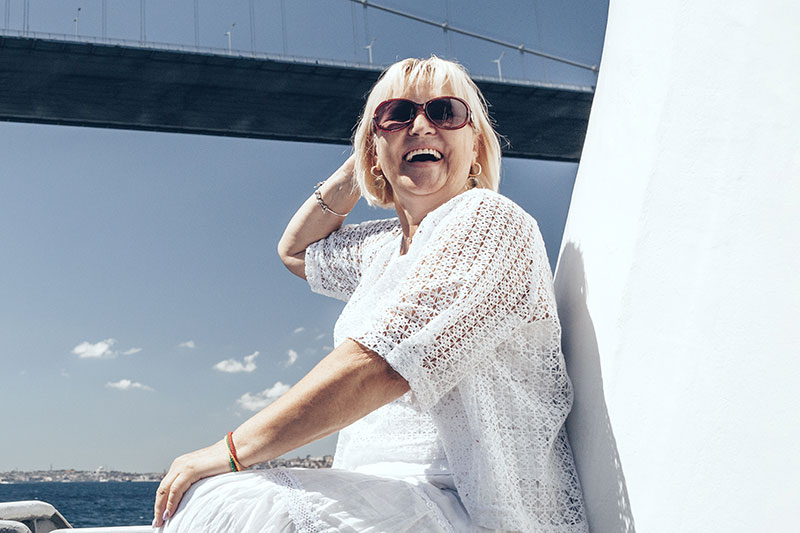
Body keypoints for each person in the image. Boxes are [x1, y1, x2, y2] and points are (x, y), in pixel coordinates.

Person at [152, 56, 588, 532]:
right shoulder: (381, 248)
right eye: (396, 115)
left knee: (242, 503)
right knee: (215, 497)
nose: (420, 126)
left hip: (473, 508)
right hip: (379, 497)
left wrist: (230, 450)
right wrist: (364, 161)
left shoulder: (490, 222)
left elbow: (386, 363)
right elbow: (295, 250)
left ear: (477, 144)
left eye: (444, 112)